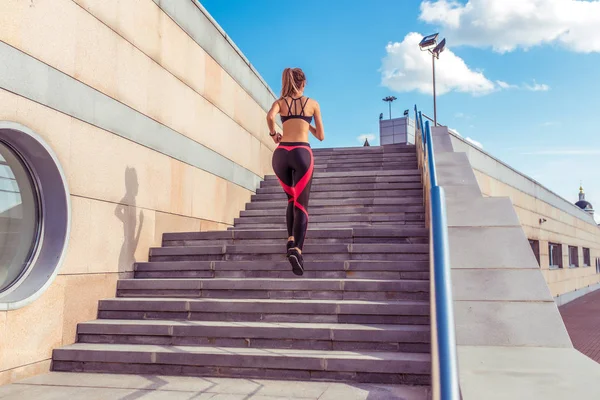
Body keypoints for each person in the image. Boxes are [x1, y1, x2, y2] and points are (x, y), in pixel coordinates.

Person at [266, 67, 325, 276]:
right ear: (304, 82)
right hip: (302, 153)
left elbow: (270, 116)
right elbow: (321, 136)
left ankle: (290, 238)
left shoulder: (280, 102)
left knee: (291, 199)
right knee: (301, 203)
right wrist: (305, 123)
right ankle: (296, 250)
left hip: (281, 154)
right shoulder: (313, 104)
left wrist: (274, 134)